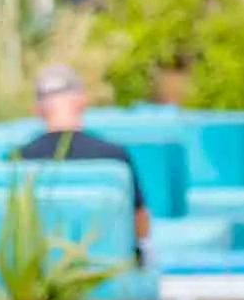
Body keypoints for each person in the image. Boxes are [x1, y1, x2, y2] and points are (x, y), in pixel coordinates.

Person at [18, 65, 149, 245]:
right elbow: (141, 225)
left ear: (37, 109)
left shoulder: (17, 160)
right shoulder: (114, 157)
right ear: (82, 101)